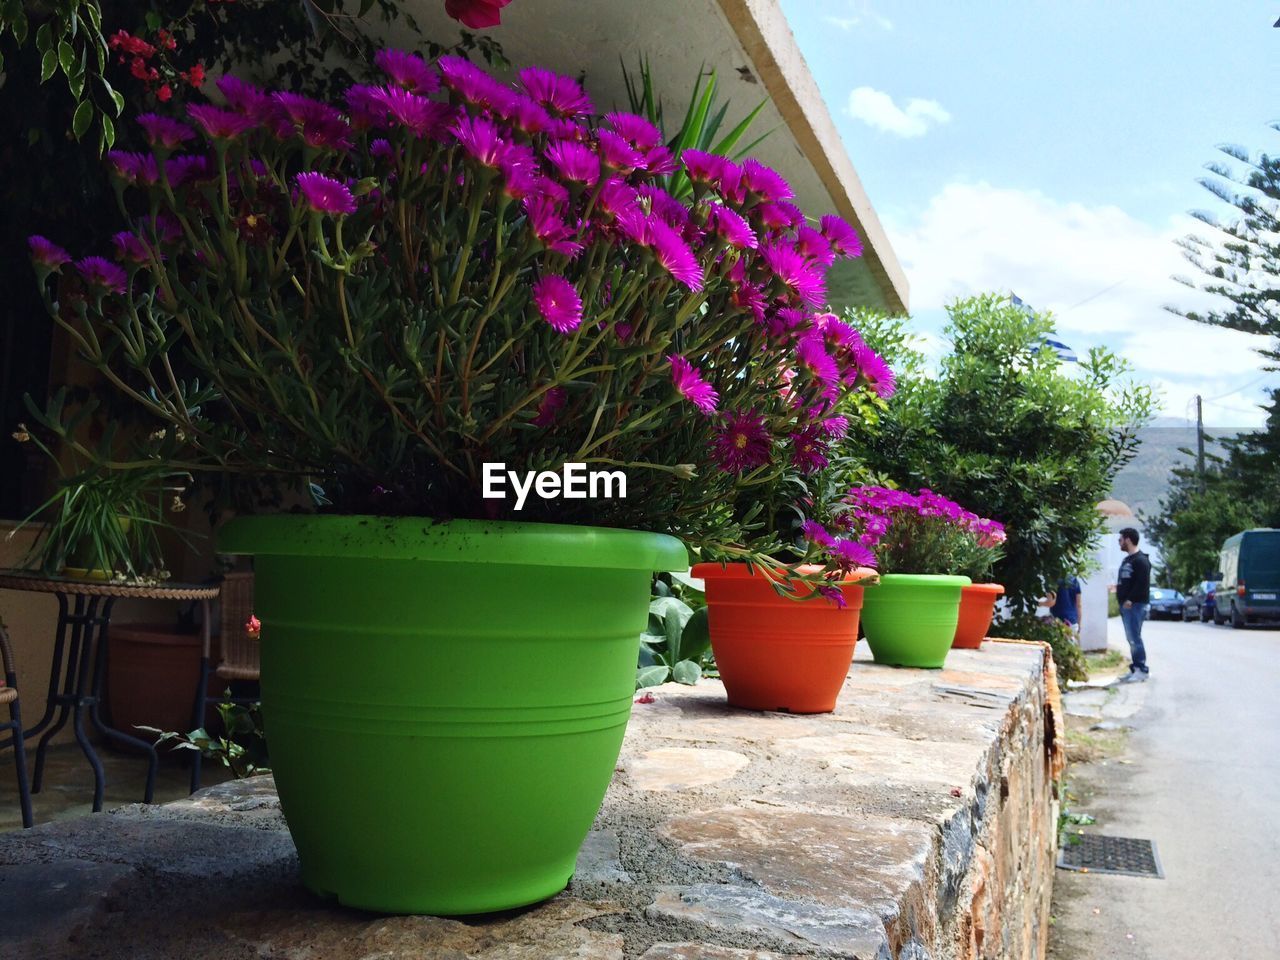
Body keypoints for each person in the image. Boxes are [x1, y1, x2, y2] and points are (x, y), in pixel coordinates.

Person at [1116, 527, 1152, 682]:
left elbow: (1142, 584)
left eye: (1121, 539)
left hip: (1135, 605)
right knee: (1131, 638)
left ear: (1128, 540)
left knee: (1134, 638)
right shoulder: (1127, 560)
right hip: (1127, 606)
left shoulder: (1141, 560)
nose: (1119, 543)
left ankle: (1141, 669)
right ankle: (1135, 667)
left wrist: (1130, 599)